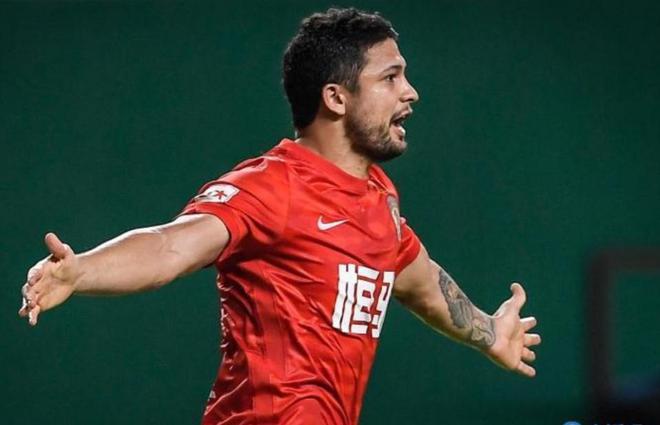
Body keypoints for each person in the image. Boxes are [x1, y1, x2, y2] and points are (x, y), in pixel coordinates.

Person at [18, 7, 541, 425]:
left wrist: (488, 332)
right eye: (391, 77)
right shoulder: (272, 187)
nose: (411, 91)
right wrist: (82, 271)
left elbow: (419, 281)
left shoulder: (379, 197)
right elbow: (170, 245)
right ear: (336, 98)